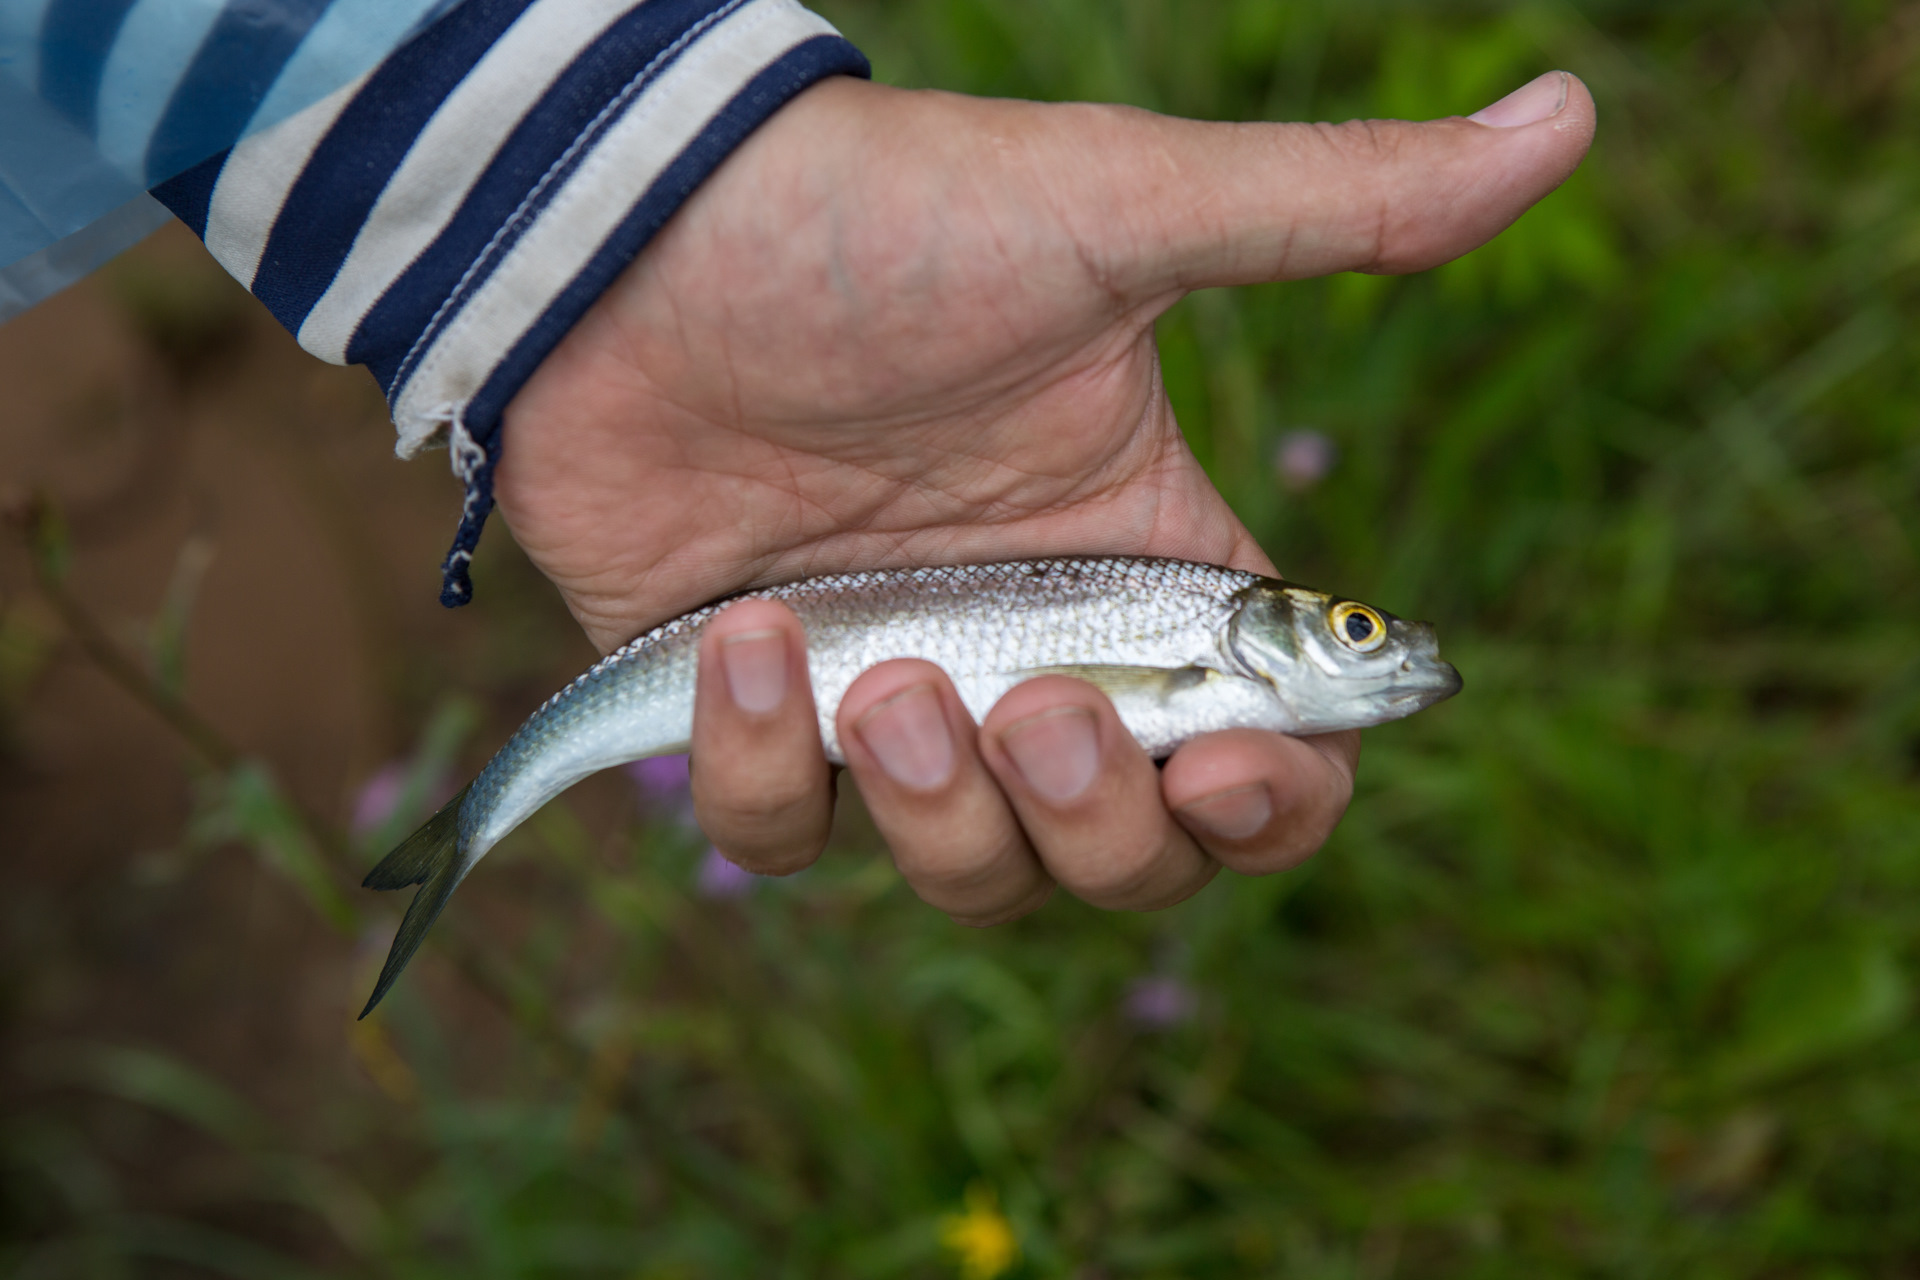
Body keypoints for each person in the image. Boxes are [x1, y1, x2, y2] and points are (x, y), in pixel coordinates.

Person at [3, 0, 1594, 925]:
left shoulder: (1198, 662)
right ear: (1259, 639)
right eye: (1356, 632)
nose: (1375, 646)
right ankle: (461, 827)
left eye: (1364, 631)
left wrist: (581, 232)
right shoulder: (1195, 632)